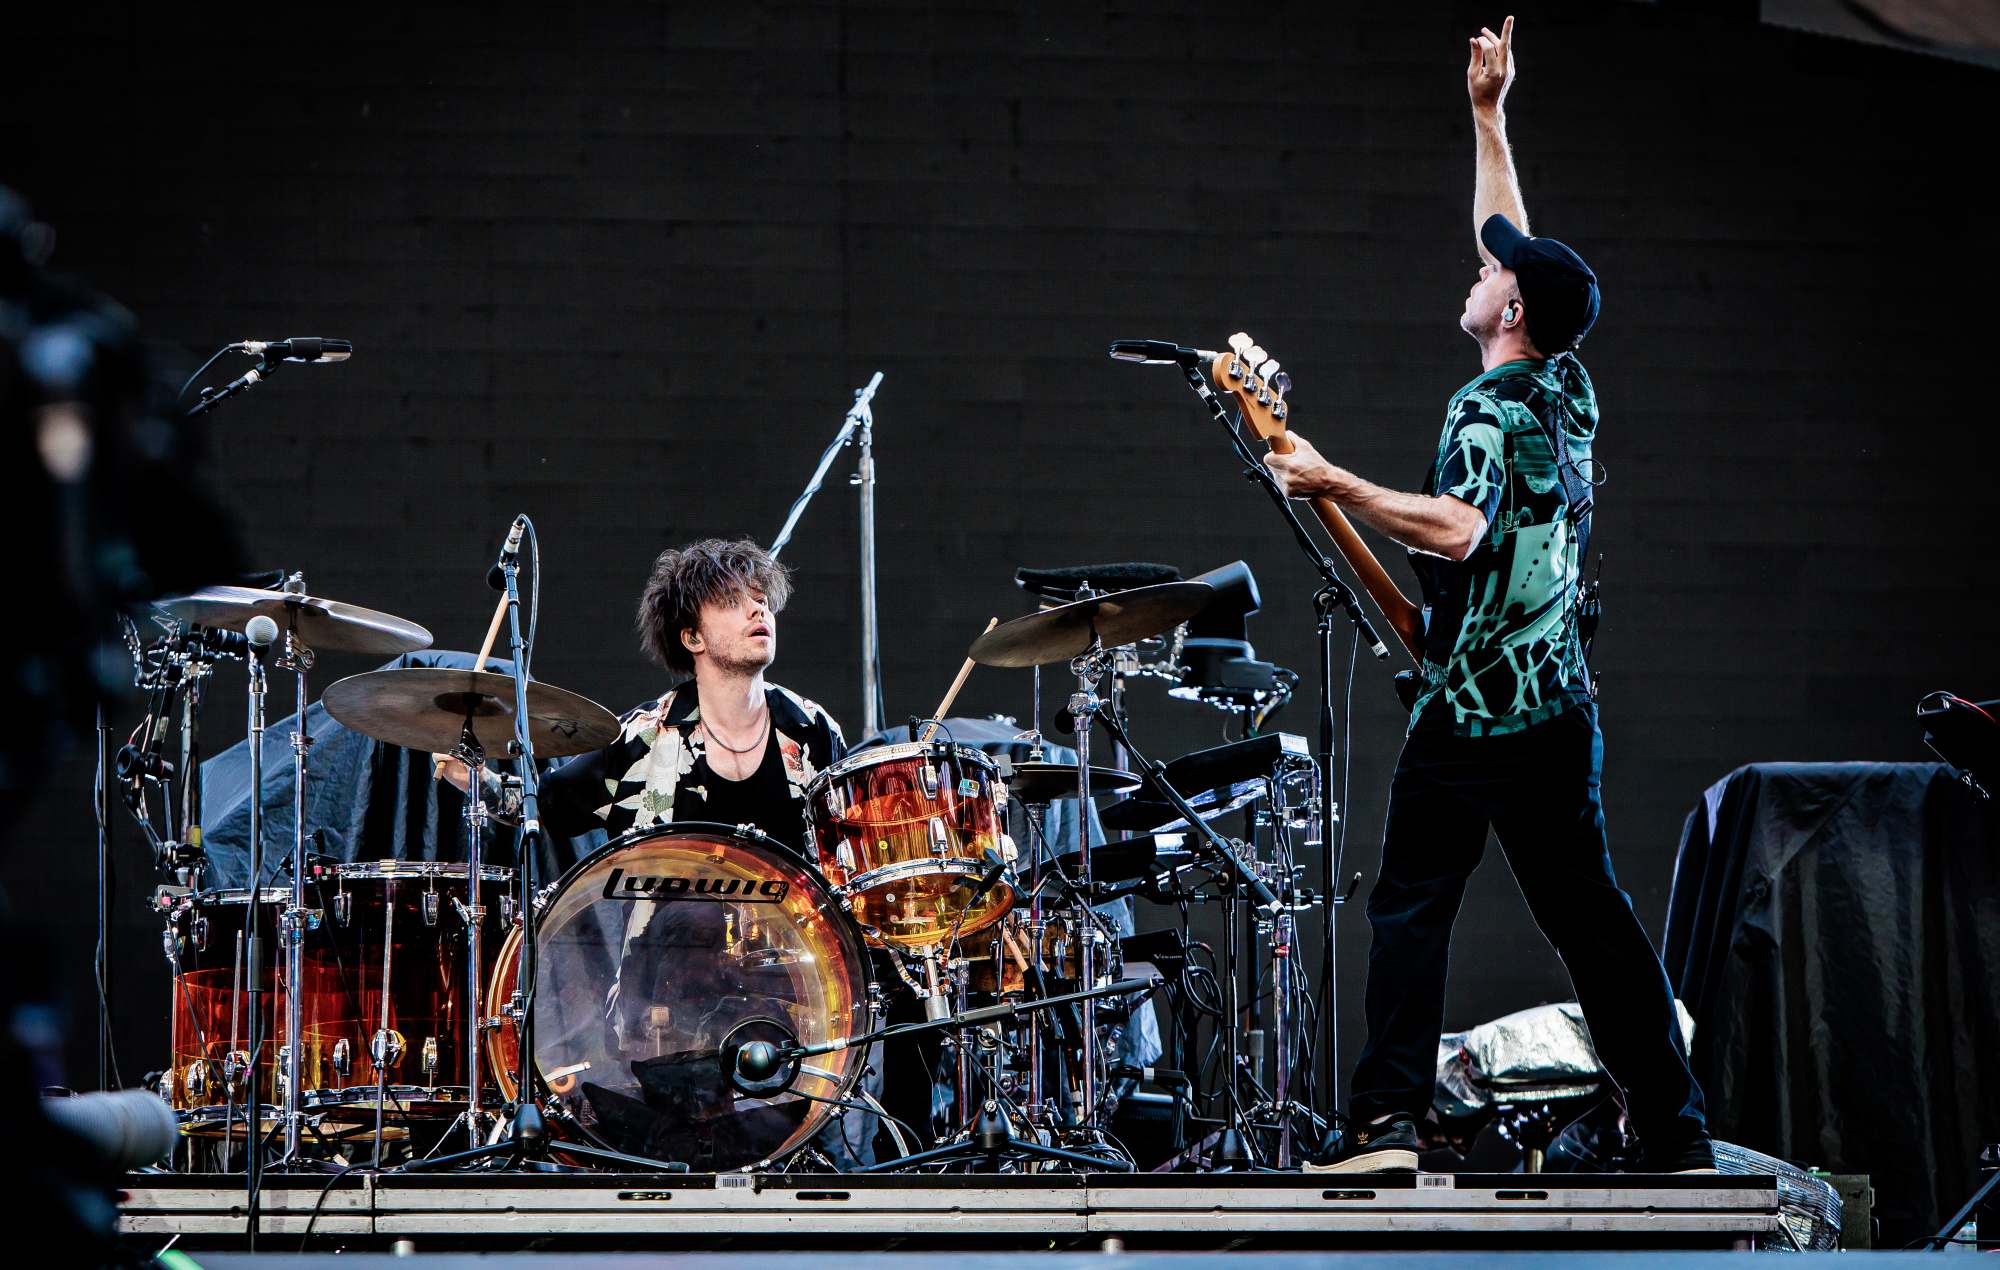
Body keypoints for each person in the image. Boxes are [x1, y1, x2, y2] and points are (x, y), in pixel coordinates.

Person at [1264, 17, 1712, 1173]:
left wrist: (1329, 478)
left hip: (1468, 716)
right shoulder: (1569, 392)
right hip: (1557, 717)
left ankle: (1382, 1123)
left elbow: (1458, 532)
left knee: (1410, 908)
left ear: (1508, 310)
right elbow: (1505, 237)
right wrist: (1486, 114)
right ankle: (1673, 1127)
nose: (1473, 270)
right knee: (1592, 920)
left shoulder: (1480, 413)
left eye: (1486, 273)